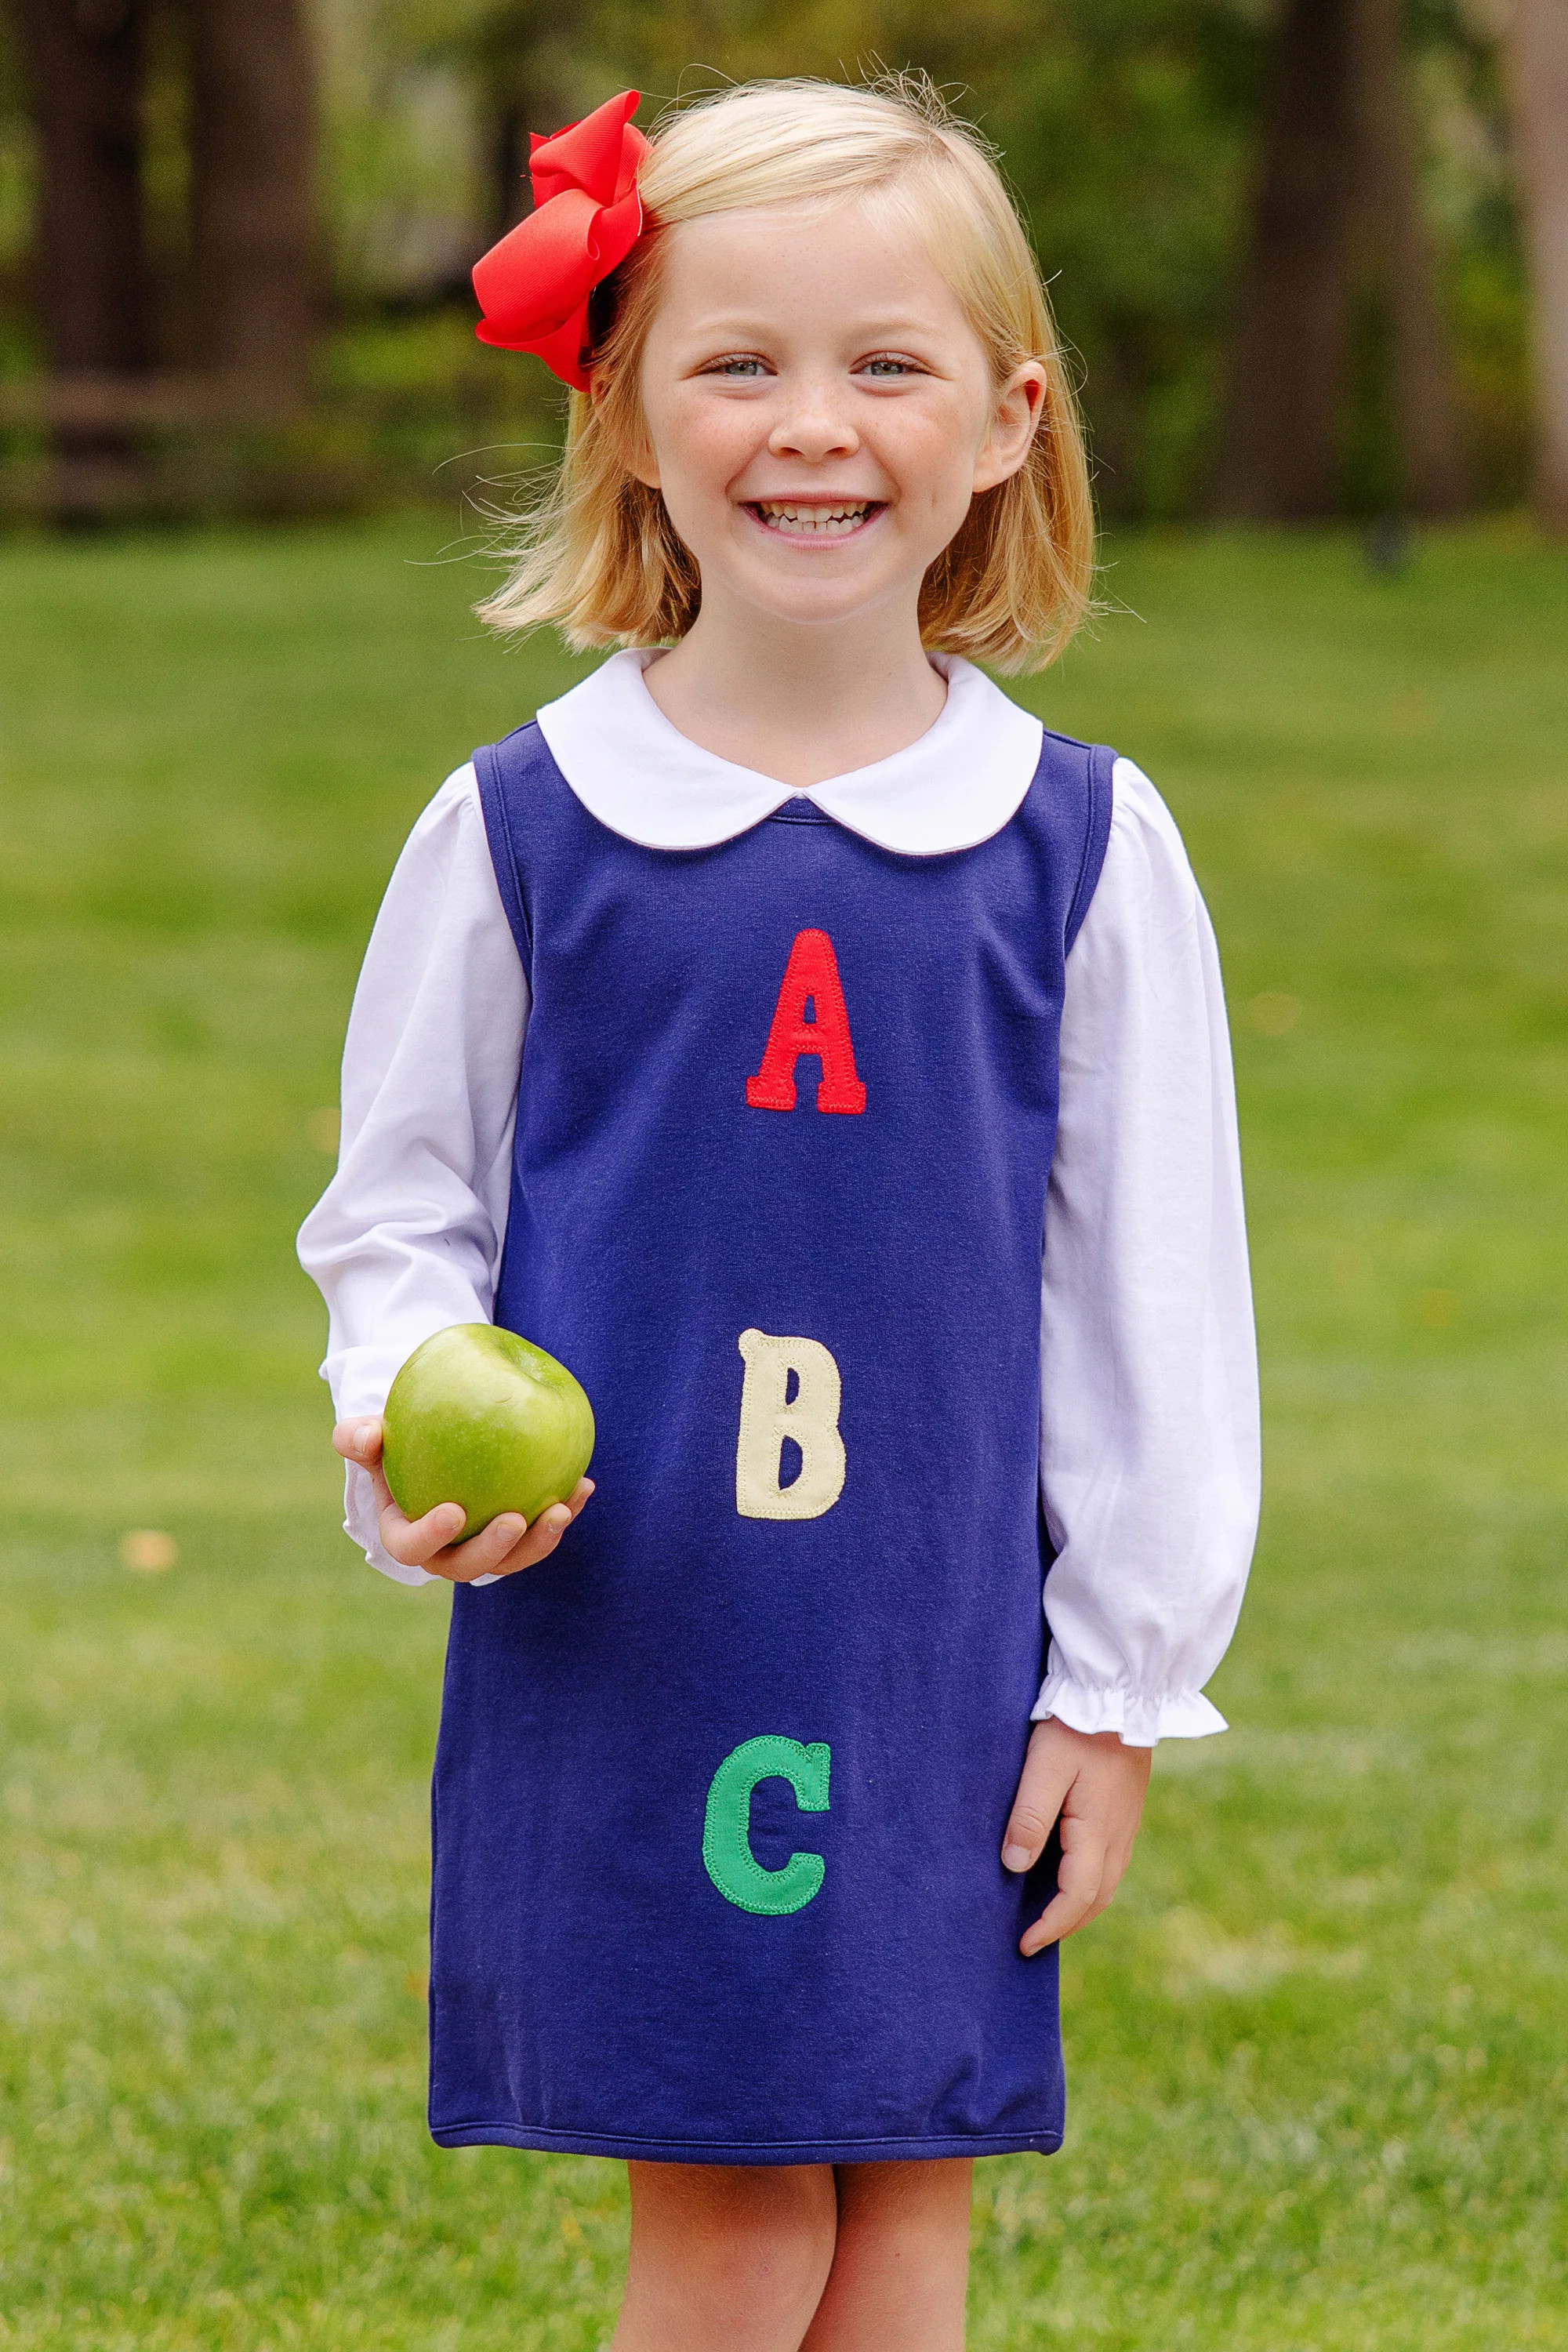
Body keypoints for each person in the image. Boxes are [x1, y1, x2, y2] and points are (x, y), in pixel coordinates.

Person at [297, 74, 1258, 2352]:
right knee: (738, 2231)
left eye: (886, 363)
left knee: (908, 2213)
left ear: (1012, 420)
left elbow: (1150, 1296)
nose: (810, 425)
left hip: (935, 1656)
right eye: (738, 359)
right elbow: (400, 1212)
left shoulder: (1082, 851)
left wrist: (1116, 1687)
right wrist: (399, 1431)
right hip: (640, 1635)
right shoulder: (529, 829)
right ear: (626, 410)